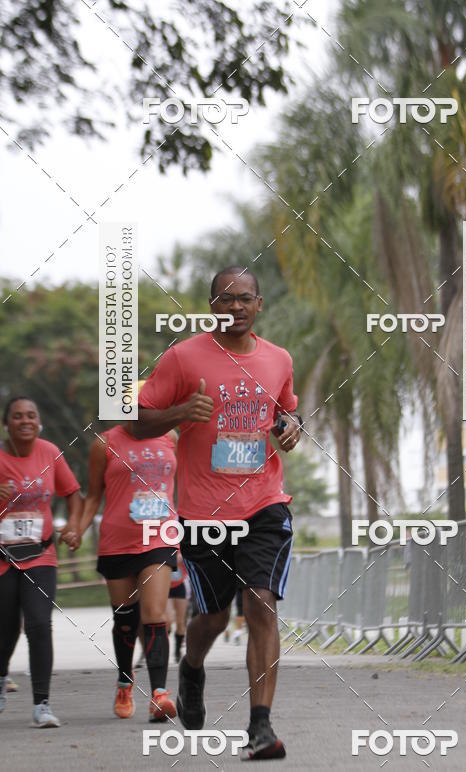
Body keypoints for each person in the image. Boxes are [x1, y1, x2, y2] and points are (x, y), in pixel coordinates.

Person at [133, 266, 302, 760]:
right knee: (212, 615)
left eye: (243, 298)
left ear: (258, 304)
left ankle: (261, 727)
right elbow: (137, 421)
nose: (235, 307)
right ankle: (191, 669)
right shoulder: (183, 358)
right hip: (206, 511)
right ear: (212, 306)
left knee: (261, 603)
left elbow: (287, 411)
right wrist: (180, 414)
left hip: (265, 503)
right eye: (224, 300)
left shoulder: (279, 359)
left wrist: (291, 427)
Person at [79, 389, 178, 722]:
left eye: (145, 407)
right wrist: (77, 528)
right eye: (132, 407)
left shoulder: (171, 437)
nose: (138, 412)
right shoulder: (104, 444)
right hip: (118, 540)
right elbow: (93, 496)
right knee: (125, 619)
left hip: (160, 536)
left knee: (154, 612)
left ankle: (160, 694)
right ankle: (125, 680)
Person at [0, 397, 82, 727]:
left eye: (31, 415)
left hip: (41, 554)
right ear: (6, 423)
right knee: (5, 630)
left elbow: (74, 494)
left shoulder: (49, 452)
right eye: (17, 416)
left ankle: (42, 705)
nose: (25, 421)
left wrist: (74, 526)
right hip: (2, 557)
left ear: (39, 422)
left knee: (38, 623)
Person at [167, 550, 189, 663]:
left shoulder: (181, 545)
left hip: (180, 586)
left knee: (181, 623)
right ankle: (164, 649)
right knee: (168, 620)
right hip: (165, 587)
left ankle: (177, 650)